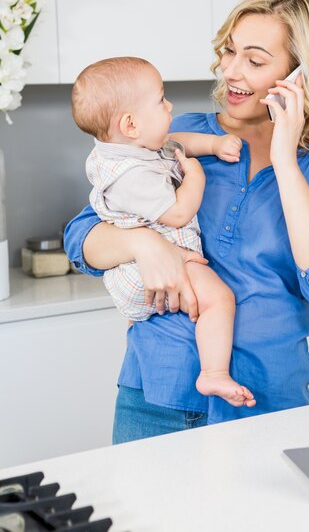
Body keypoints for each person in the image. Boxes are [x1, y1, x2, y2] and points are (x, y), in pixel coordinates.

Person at [64, 0, 309, 443]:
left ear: (300, 73)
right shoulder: (177, 136)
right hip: (157, 398)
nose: (230, 71)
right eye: (228, 52)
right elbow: (82, 235)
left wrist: (286, 160)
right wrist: (141, 243)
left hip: (267, 406)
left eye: (254, 59)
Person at [71, 56, 256, 408]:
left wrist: (214, 145)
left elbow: (175, 143)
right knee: (218, 299)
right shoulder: (129, 175)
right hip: (155, 268)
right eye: (160, 100)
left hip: (150, 267)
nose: (170, 105)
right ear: (130, 124)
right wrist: (196, 176)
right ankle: (213, 374)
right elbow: (178, 212)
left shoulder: (136, 148)